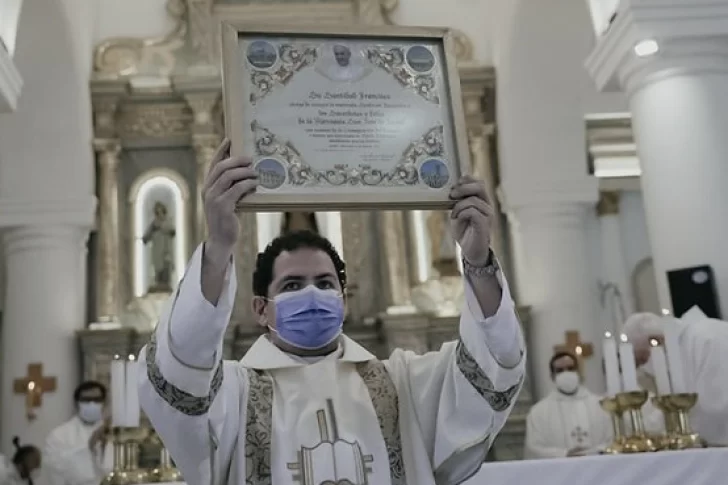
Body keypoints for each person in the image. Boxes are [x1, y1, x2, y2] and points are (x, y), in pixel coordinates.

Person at [138, 138, 526, 485]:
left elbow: (491, 365)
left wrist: (476, 260)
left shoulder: (402, 385)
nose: (311, 294)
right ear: (260, 308)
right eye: (292, 286)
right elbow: (178, 373)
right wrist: (219, 244)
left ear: (344, 300)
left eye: (325, 284)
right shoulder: (235, 395)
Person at [624, 309, 728, 446]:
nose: (645, 368)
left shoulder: (703, 340)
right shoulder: (686, 342)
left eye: (643, 359)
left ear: (656, 341)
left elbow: (712, 406)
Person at [524, 351, 612, 459]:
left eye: (570, 368)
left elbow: (612, 439)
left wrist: (592, 452)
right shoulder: (538, 412)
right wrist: (564, 454)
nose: (566, 373)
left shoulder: (601, 405)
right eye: (560, 371)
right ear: (552, 376)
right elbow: (534, 448)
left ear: (578, 372)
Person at [44, 381, 112, 485]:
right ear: (76, 403)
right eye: (86, 400)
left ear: (104, 403)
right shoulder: (59, 435)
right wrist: (89, 447)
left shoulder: (114, 433)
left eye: (97, 400)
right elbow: (54, 469)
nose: (92, 404)